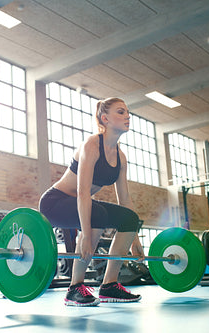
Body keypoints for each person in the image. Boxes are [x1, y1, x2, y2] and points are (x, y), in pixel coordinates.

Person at [39, 97, 145, 306]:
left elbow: (125, 199)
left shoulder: (121, 157)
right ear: (105, 119)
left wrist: (135, 240)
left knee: (130, 218)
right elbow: (83, 192)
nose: (128, 116)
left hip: (81, 203)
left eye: (127, 112)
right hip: (55, 203)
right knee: (98, 214)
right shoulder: (91, 145)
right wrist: (86, 235)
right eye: (121, 112)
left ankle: (109, 285)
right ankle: (74, 288)